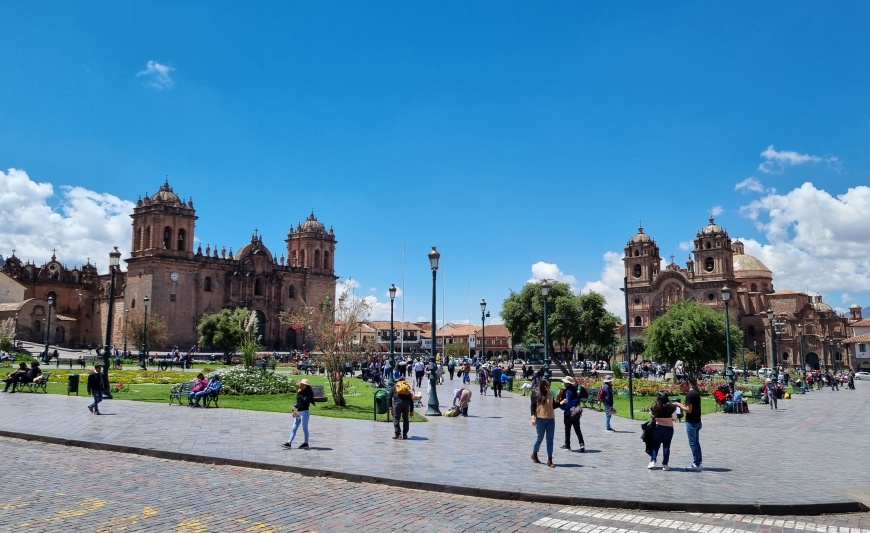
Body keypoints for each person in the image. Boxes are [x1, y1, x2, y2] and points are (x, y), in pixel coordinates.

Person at [674, 379, 703, 471]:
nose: (680, 390)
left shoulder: (690, 395)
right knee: (696, 442)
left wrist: (679, 405)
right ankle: (699, 461)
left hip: (691, 422)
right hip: (698, 421)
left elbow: (688, 410)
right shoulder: (696, 393)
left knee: (692, 443)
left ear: (685, 386)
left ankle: (696, 464)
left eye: (681, 388)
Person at [283, 379, 316, 449]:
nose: (302, 386)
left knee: (304, 428)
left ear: (306, 386)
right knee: (294, 428)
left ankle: (306, 443)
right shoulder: (300, 392)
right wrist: (294, 407)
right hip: (298, 412)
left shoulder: (309, 393)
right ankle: (289, 442)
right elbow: (299, 403)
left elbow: (304, 401)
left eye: (304, 385)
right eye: (301, 384)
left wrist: (300, 393)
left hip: (305, 413)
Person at [647, 391, 677, 470]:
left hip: (657, 427)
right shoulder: (672, 407)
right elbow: (674, 418)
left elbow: (651, 415)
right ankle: (665, 464)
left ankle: (653, 461)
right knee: (666, 446)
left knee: (655, 445)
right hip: (668, 428)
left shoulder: (654, 406)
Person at [530, 378, 556, 467]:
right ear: (542, 386)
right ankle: (534, 453)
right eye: (547, 386)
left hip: (551, 419)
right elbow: (533, 406)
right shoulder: (536, 393)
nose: (548, 388)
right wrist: (533, 417)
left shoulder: (550, 393)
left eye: (549, 386)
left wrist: (561, 402)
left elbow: (554, 405)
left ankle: (550, 459)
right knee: (539, 438)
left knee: (550, 439)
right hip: (540, 418)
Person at [558, 376, 585, 452]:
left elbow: (568, 403)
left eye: (565, 382)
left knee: (567, 429)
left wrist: (561, 406)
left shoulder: (567, 392)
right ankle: (582, 444)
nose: (564, 383)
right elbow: (577, 400)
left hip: (569, 413)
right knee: (577, 429)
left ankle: (567, 445)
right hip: (576, 412)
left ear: (567, 383)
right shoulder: (574, 390)